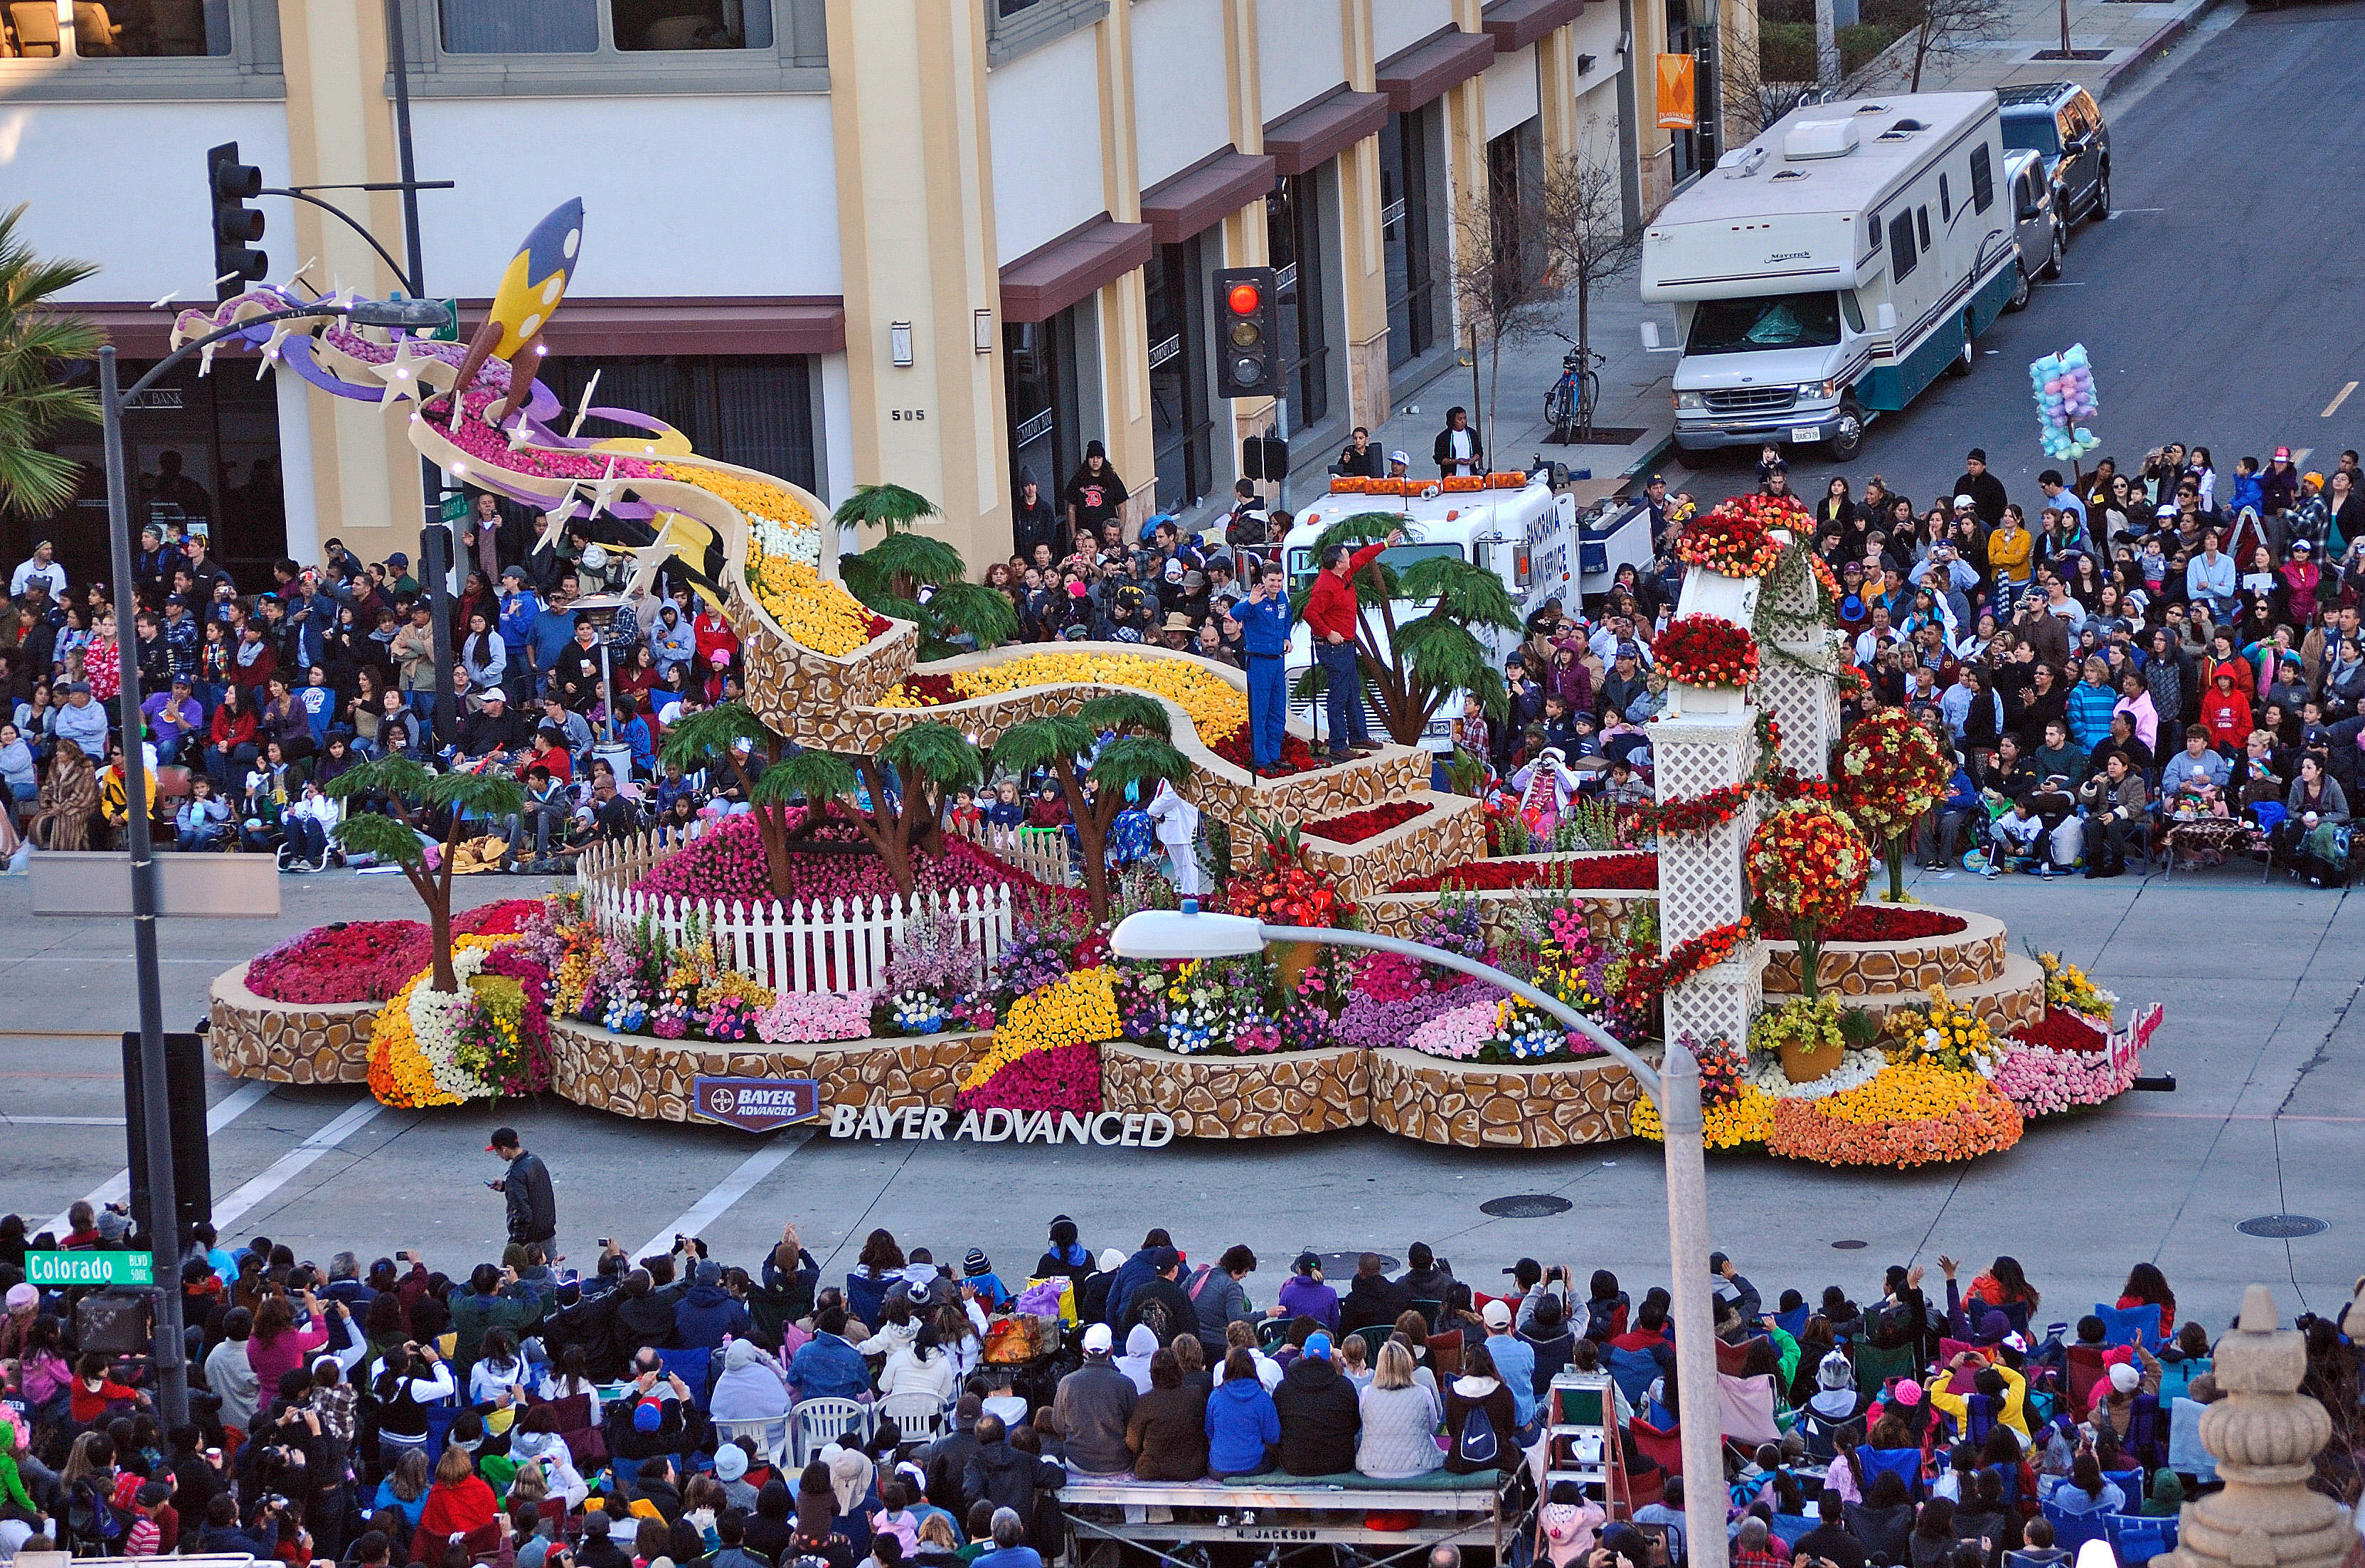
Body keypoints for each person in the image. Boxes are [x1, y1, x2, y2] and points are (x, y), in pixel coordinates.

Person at [1304, 530, 1401, 760]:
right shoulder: (1325, 586)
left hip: (1345, 646)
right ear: (1338, 563)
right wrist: (1328, 633)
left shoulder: (1344, 573)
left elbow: (1362, 557)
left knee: (1352, 692)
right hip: (1334, 648)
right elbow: (1310, 613)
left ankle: (1358, 735)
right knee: (1339, 696)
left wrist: (1385, 543)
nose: (1351, 558)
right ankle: (1339, 744)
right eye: (1347, 556)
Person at [1226, 561, 1292, 775]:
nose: (1276, 584)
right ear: (1264, 580)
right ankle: (1260, 757)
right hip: (1259, 661)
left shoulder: (1282, 598)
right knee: (1260, 711)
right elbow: (1233, 616)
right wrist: (1250, 603)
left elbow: (1287, 619)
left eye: (1279, 580)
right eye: (1272, 580)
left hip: (1277, 660)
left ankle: (1274, 755)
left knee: (1278, 711)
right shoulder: (1253, 598)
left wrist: (1286, 637)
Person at [1050, 1324, 1135, 1476]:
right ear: (1111, 1349)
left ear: (1084, 1349)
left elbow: (1058, 1426)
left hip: (1078, 1462)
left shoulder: (1067, 1383)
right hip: (1119, 1463)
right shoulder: (1125, 1384)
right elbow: (1134, 1430)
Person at [1272, 1330, 1359, 1475]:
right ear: (1331, 1358)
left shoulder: (1283, 1388)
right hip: (1339, 1463)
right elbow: (1355, 1425)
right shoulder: (1345, 1387)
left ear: (1303, 1356)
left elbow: (1277, 1427)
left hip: (1294, 1464)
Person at [1356, 1341, 1441, 1479]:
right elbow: (1432, 1428)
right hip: (1419, 1467)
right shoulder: (1423, 1392)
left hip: (1372, 1468)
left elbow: (1363, 1424)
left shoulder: (1366, 1393)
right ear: (1407, 1364)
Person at [487, 1126, 557, 1249]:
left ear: (504, 1149)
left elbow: (522, 1212)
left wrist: (516, 1242)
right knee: (551, 1267)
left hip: (530, 1240)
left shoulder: (516, 1174)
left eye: (496, 1151)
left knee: (509, 1267)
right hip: (547, 1232)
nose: (497, 1154)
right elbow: (534, 1189)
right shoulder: (535, 1161)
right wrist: (506, 1186)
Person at [1434, 407, 1484, 478]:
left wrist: (1473, 459)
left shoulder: (1472, 433)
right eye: (1460, 419)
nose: (1463, 421)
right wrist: (1457, 461)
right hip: (1451, 477)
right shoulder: (1443, 437)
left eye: (1465, 418)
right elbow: (1440, 459)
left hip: (1471, 475)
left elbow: (1479, 452)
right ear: (1452, 420)